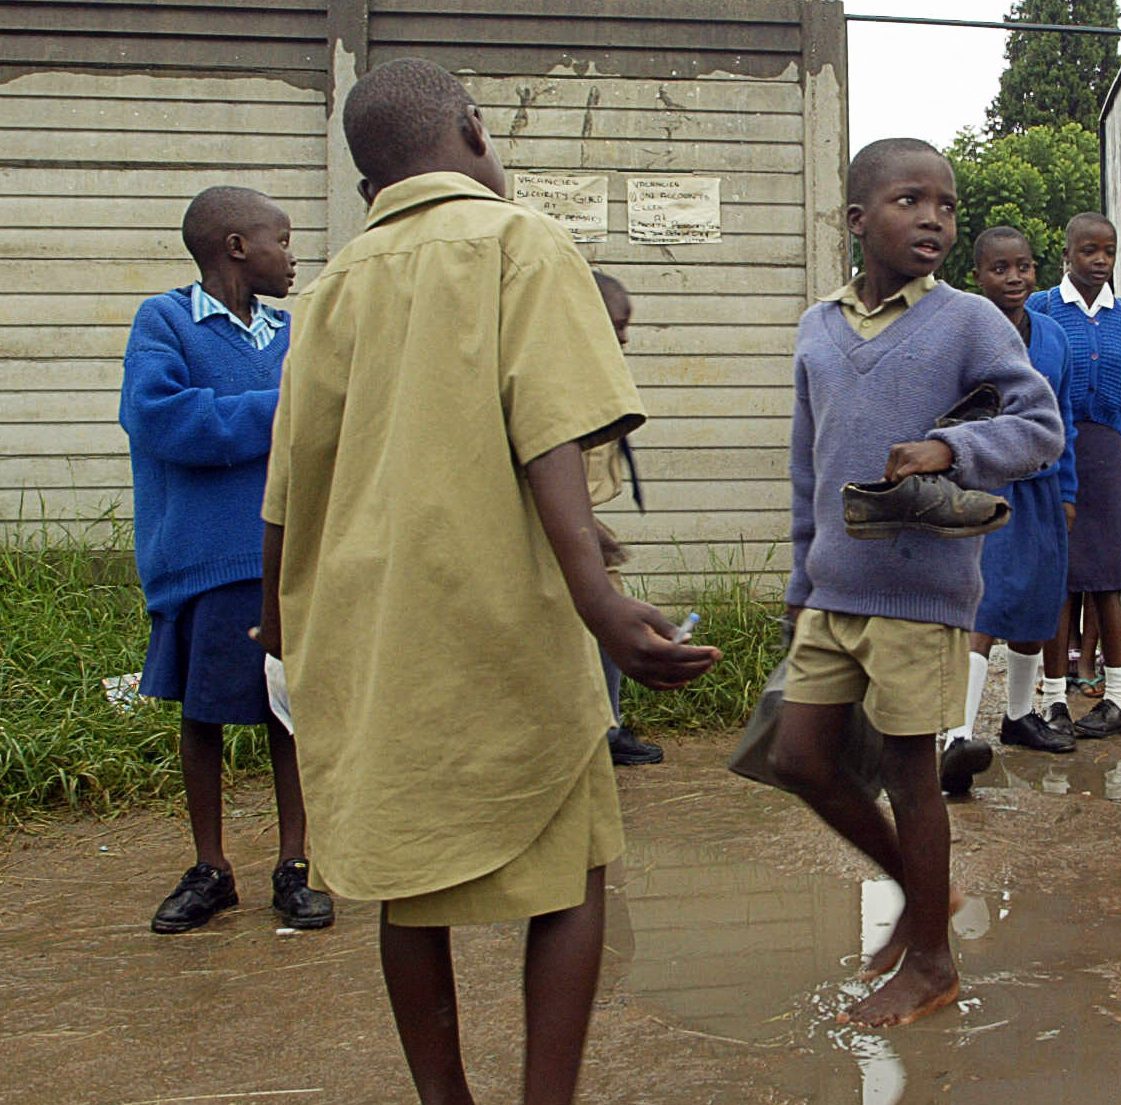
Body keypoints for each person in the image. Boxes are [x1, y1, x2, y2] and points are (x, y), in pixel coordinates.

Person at [257, 58, 719, 1105]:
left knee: (404, 884)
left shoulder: (330, 288)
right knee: (569, 875)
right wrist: (601, 605)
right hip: (505, 624)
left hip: (372, 639)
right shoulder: (520, 243)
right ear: (472, 131)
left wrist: (276, 633)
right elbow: (551, 435)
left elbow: (286, 492)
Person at [769, 137, 1063, 1026]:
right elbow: (804, 466)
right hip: (832, 590)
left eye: (944, 202)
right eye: (908, 200)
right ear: (858, 221)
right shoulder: (818, 326)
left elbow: (1041, 425)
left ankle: (931, 957)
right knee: (799, 758)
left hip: (921, 592)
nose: (932, 216)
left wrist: (953, 448)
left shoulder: (968, 320)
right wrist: (797, 578)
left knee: (911, 775)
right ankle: (919, 888)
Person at [119, 185, 333, 935]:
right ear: (237, 247)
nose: (293, 253)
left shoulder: (288, 335)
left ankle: (295, 864)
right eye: (281, 237)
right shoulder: (166, 322)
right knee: (203, 714)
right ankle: (211, 867)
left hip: (284, 562)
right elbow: (161, 418)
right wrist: (281, 407)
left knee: (287, 714)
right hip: (209, 562)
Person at [939, 226, 1079, 796]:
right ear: (979, 276)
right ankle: (955, 735)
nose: (1014, 278)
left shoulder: (1053, 337)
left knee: (1035, 606)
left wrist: (1067, 491)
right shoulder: (964, 333)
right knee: (984, 608)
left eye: (1022, 267)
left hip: (1043, 489)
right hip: (989, 488)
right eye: (1000, 269)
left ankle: (1020, 715)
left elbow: (1063, 415)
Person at [1029, 213, 1121, 739]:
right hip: (1055, 453)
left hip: (1109, 456)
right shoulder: (1042, 308)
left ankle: (1118, 700)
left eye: (1108, 252)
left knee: (1110, 580)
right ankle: (1055, 700)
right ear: (1067, 255)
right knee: (1060, 581)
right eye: (1089, 251)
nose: (1101, 261)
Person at [587, 270, 664, 767]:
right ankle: (601, 729)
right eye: (616, 325)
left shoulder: (595, 374)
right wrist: (589, 534)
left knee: (605, 617)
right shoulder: (558, 378)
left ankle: (606, 724)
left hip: (581, 524)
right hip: (563, 532)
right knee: (604, 616)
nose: (624, 338)